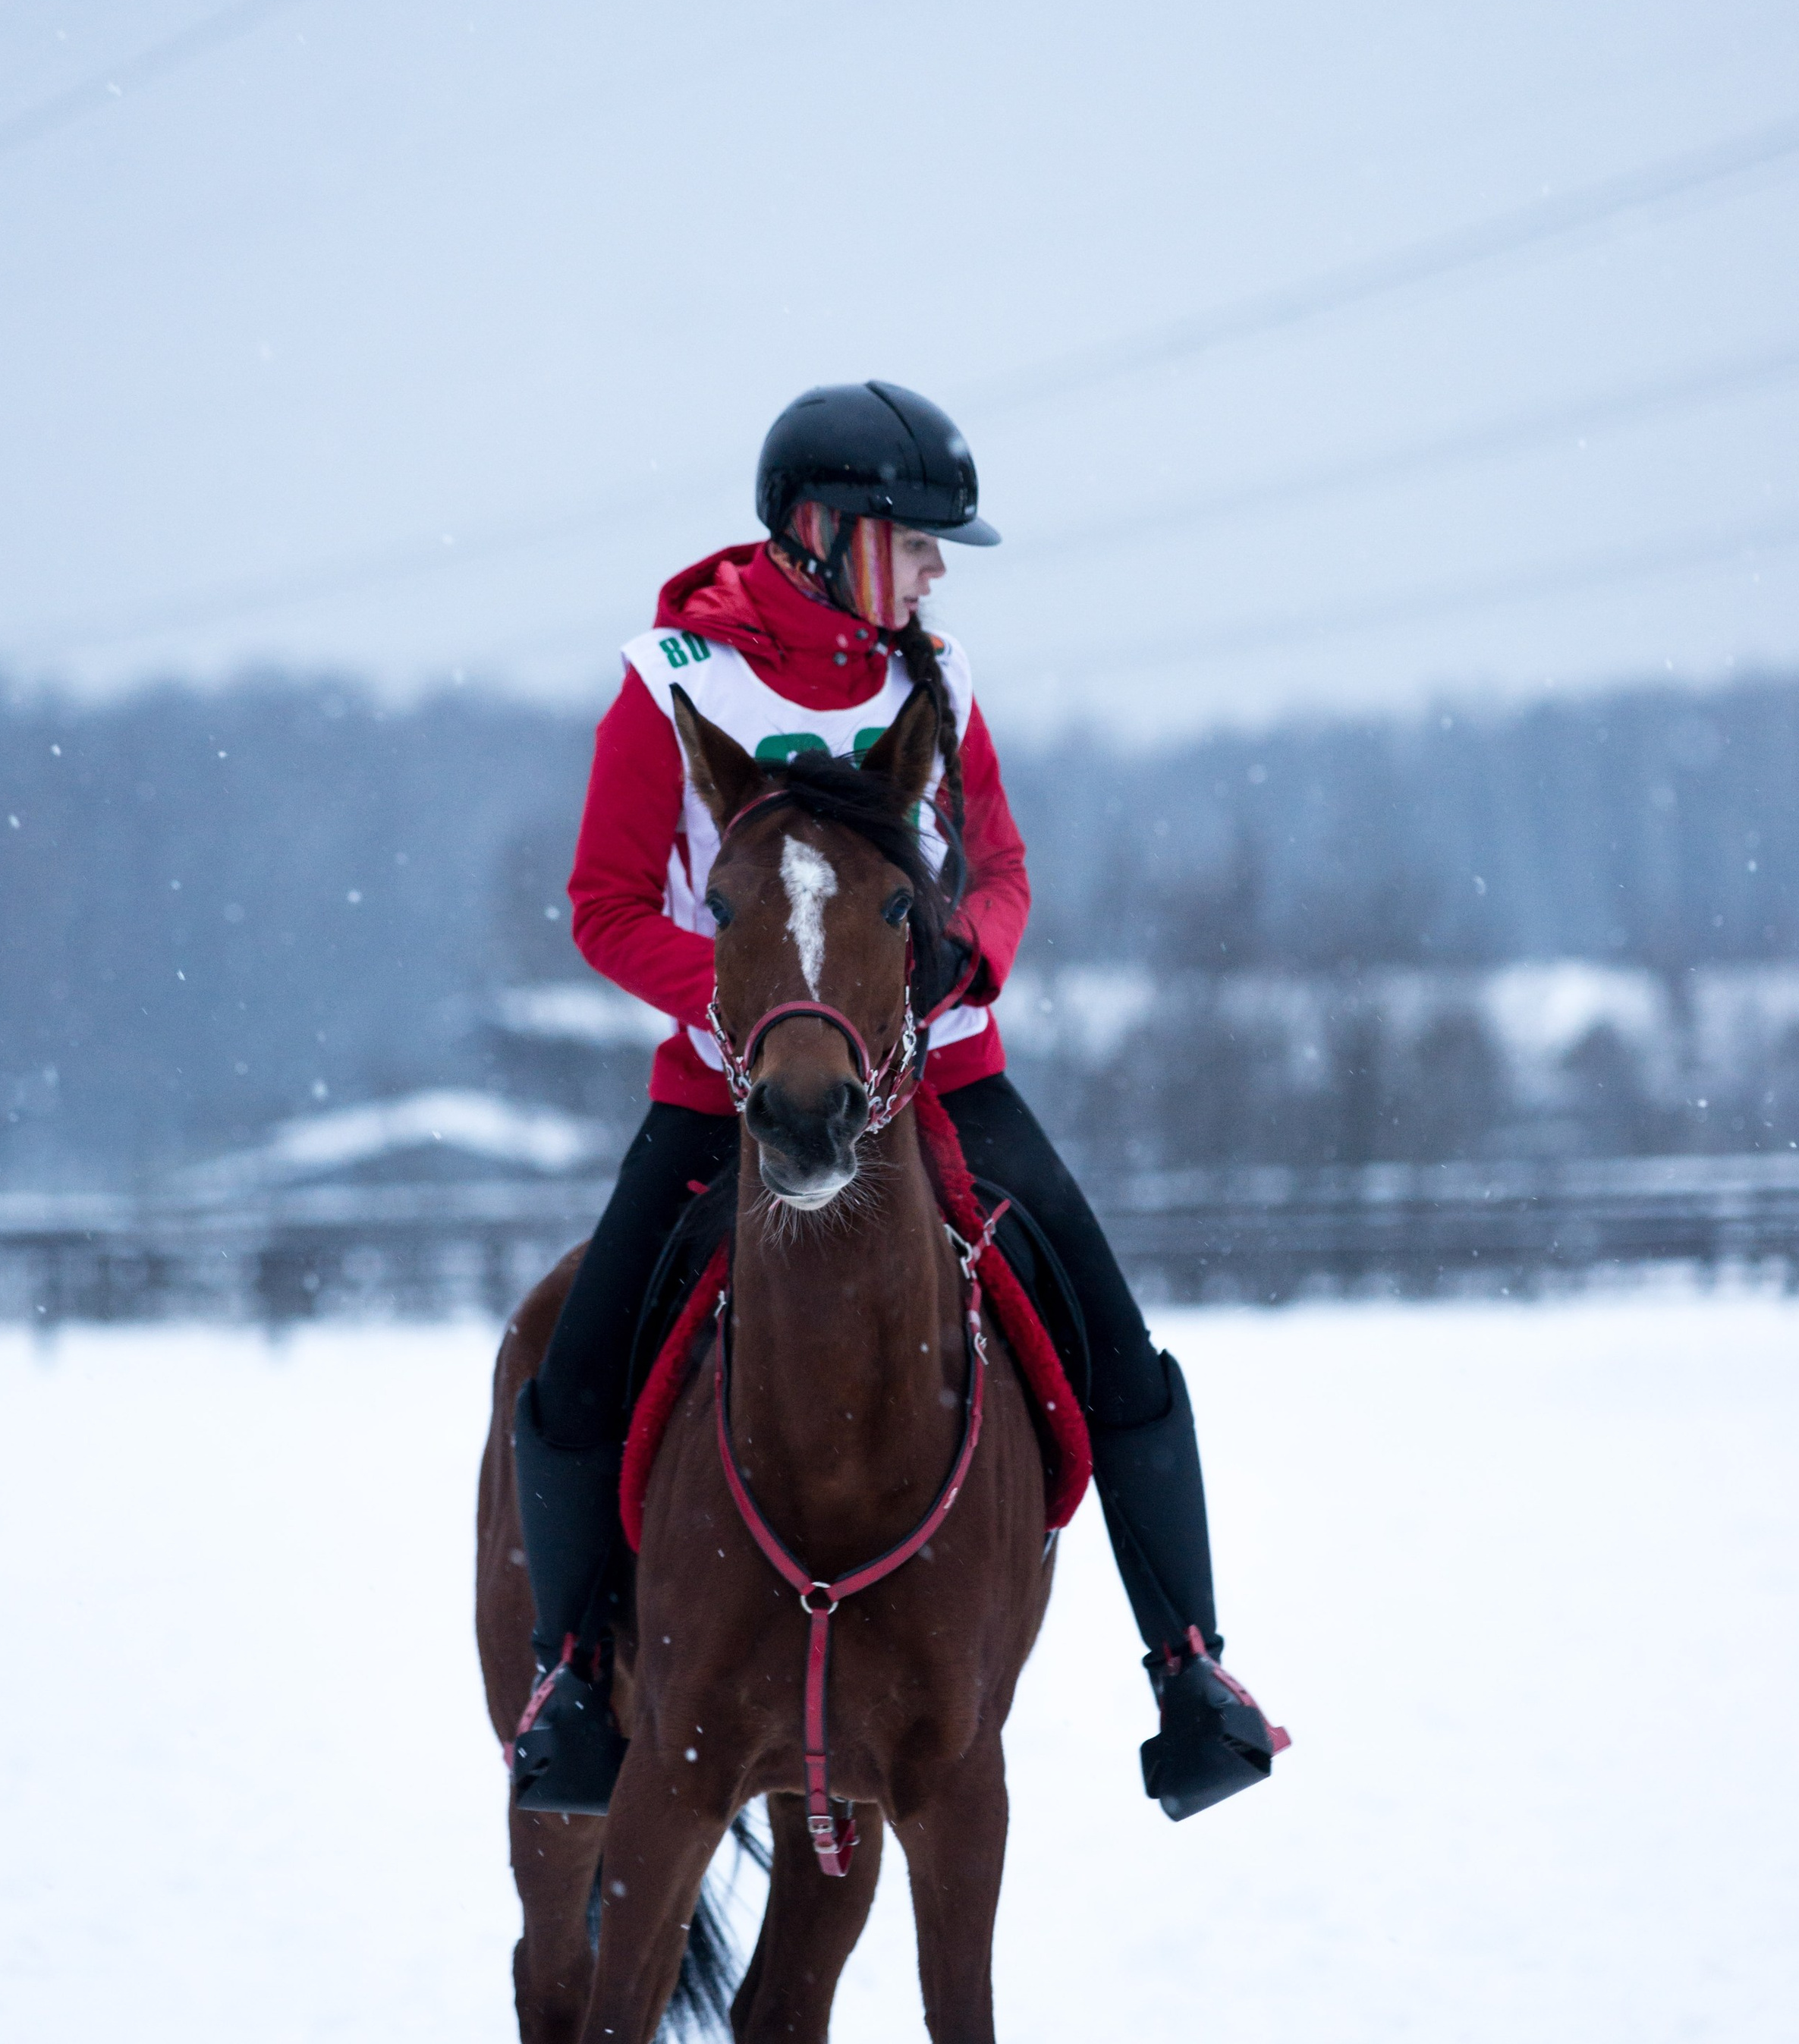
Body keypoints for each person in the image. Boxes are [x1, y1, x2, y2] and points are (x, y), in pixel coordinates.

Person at [512, 380, 1281, 1822]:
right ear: (823, 534)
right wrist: (767, 998)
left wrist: (969, 949)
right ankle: (567, 1682)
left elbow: (1001, 862)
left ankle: (1190, 1670)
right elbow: (604, 907)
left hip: (948, 1078)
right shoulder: (670, 677)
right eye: (918, 545)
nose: (935, 575)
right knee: (577, 1366)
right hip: (726, 1094)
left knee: (1117, 1346)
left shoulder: (940, 679)